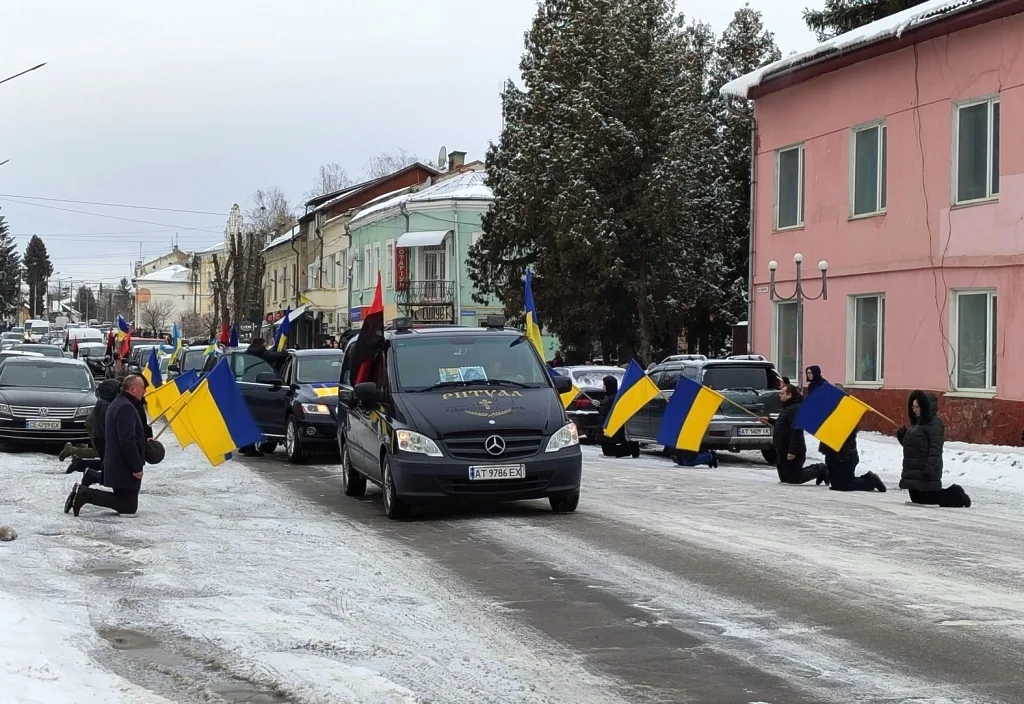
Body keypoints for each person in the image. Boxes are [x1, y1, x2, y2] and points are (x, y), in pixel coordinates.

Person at [67, 375, 147, 517]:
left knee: (128, 504)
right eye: (142, 388)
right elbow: (127, 440)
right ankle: (85, 494)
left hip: (119, 464)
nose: (144, 391)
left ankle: (85, 492)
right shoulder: (125, 407)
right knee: (128, 507)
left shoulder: (120, 403)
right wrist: (136, 467)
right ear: (133, 388)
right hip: (124, 466)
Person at [897, 391, 971, 507]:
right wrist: (902, 436)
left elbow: (935, 449)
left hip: (926, 470)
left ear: (925, 407)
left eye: (917, 407)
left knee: (928, 499)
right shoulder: (917, 425)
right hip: (914, 472)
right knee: (917, 499)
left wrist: (929, 469)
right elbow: (913, 448)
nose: (914, 410)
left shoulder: (935, 424)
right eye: (913, 407)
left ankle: (956, 494)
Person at [761, 383, 829, 486]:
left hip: (793, 451)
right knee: (785, 479)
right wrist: (770, 421)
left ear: (789, 395)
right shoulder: (787, 407)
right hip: (782, 450)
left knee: (795, 479)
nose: (779, 396)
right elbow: (784, 425)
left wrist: (792, 451)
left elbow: (796, 431)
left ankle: (820, 469)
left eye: (782, 394)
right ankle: (818, 470)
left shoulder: (795, 409)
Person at [823, 424, 886, 492]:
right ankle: (820, 469)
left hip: (847, 457)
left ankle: (870, 481)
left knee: (844, 484)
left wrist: (842, 455)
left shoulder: (846, 422)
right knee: (837, 485)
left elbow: (850, 436)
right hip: (835, 455)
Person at [596, 375, 640, 459]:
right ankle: (631, 447)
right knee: (607, 451)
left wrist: (600, 407)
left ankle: (632, 447)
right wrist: (599, 405)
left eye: (604, 385)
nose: (603, 387)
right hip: (606, 429)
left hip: (611, 429)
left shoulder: (614, 398)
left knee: (610, 452)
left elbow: (609, 412)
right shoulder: (608, 397)